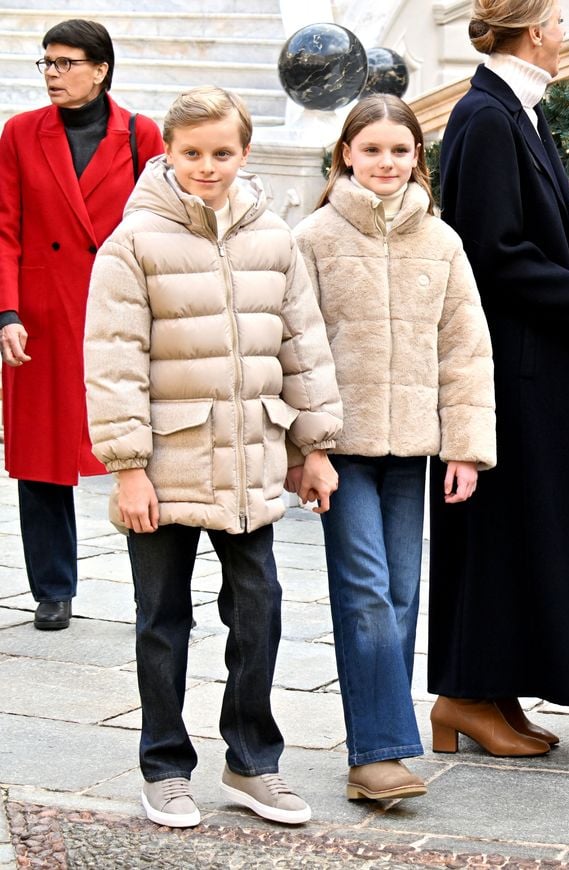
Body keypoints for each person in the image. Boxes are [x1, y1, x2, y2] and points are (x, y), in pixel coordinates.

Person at [84, 86, 343, 828]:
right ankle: (164, 767)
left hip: (250, 462)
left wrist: (315, 447)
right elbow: (113, 361)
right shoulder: (133, 243)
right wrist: (128, 466)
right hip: (163, 468)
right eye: (192, 153)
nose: (207, 166)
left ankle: (252, 762)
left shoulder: (276, 239)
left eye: (222, 153)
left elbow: (304, 345)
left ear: (244, 152)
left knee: (258, 611)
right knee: (161, 621)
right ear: (169, 150)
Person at [291, 94, 496, 802]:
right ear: (346, 152)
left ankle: (379, 740)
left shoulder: (441, 242)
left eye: (400, 151)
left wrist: (465, 448)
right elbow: (295, 348)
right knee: (366, 594)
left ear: (418, 160)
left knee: (401, 594)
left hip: (412, 451)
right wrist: (308, 448)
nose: (386, 162)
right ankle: (376, 754)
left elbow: (466, 349)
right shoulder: (313, 238)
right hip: (341, 449)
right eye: (371, 149)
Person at [428, 0, 569, 756]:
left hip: (536, 364)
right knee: (496, 529)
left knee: (525, 529)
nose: (564, 33)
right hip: (508, 367)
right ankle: (463, 693)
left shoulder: (517, 108)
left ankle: (496, 691)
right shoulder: (485, 115)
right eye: (557, 21)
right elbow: (492, 251)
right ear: (532, 31)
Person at [0, 19, 163, 630]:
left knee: (142, 448)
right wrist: (7, 312)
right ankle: (52, 588)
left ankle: (154, 584)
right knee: (41, 456)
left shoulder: (140, 135)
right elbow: (5, 228)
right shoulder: (18, 133)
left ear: (100, 69)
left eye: (65, 63)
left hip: (120, 309)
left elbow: (160, 220)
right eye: (45, 63)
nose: (52, 75)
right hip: (42, 313)